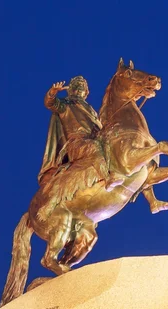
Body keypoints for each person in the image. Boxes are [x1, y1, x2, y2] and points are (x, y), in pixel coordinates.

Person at [36, 76, 121, 221]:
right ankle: (108, 178)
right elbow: (51, 103)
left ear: (86, 91)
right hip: (77, 144)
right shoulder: (66, 105)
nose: (80, 87)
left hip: (95, 141)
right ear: (71, 89)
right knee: (93, 147)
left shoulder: (92, 110)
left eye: (83, 85)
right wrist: (52, 93)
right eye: (77, 85)